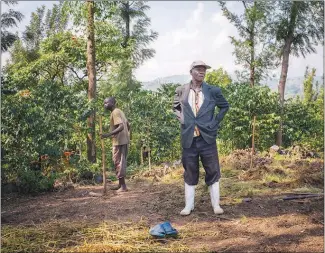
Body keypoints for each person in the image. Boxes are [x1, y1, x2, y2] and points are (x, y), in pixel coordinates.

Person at [173, 60, 229, 215]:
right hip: (189, 138)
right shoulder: (181, 90)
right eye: (198, 69)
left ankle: (216, 205)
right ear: (191, 72)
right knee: (190, 171)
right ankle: (188, 206)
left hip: (207, 138)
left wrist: (215, 122)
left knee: (213, 170)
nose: (202, 72)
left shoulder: (213, 91)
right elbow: (176, 107)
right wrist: (183, 120)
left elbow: (224, 106)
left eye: (204, 70)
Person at [101, 97, 130, 192]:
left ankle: (123, 187)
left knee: (118, 163)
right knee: (119, 162)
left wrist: (108, 135)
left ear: (113, 103)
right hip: (122, 140)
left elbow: (121, 126)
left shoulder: (115, 112)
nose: (104, 105)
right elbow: (128, 125)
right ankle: (120, 185)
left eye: (106, 103)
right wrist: (126, 136)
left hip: (119, 142)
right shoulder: (119, 111)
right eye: (104, 103)